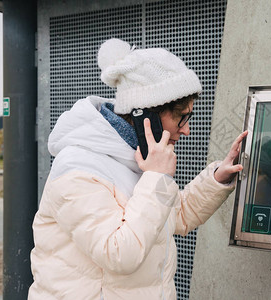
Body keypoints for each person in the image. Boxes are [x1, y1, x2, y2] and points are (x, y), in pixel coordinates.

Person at [28, 38, 247, 300]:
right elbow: (119, 254)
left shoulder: (137, 161)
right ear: (146, 115)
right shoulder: (77, 168)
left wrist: (217, 178)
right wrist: (156, 177)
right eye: (181, 117)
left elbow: (174, 216)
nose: (186, 130)